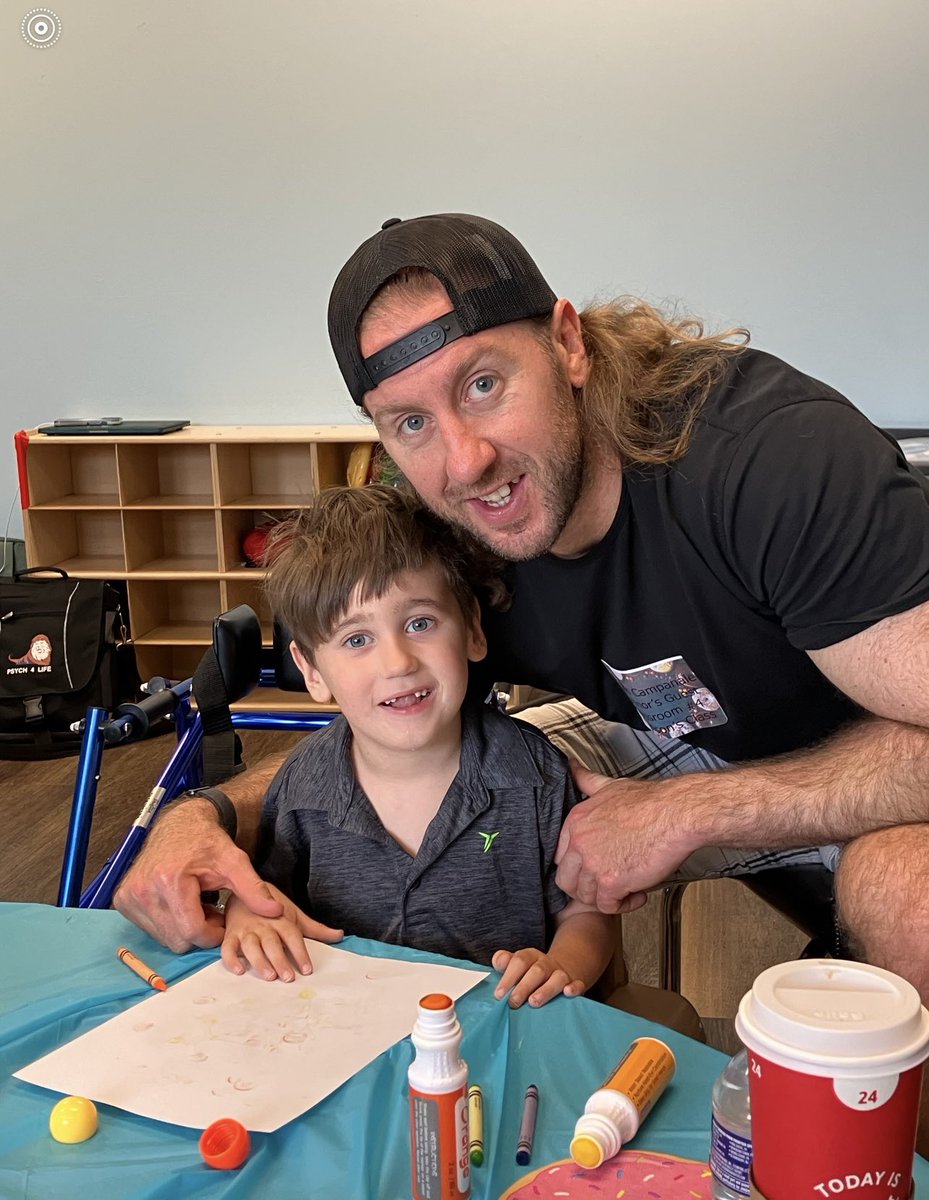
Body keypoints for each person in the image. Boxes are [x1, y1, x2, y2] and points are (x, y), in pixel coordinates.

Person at [115, 213, 929, 1018]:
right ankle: (583, 1062)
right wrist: (206, 814)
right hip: (686, 740)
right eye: (411, 422)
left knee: (908, 898)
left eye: (483, 384)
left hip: (886, 755)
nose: (466, 459)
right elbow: (381, 730)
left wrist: (690, 814)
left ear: (567, 345)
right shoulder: (448, 533)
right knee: (484, 785)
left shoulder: (767, 458)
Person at [214, 484, 615, 1008]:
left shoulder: (534, 774)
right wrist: (247, 917)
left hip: (502, 1035)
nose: (398, 662)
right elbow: (265, 894)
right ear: (312, 670)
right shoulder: (303, 785)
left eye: (420, 623)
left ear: (472, 628)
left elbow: (586, 912)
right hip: (345, 1035)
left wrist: (562, 965)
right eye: (357, 640)